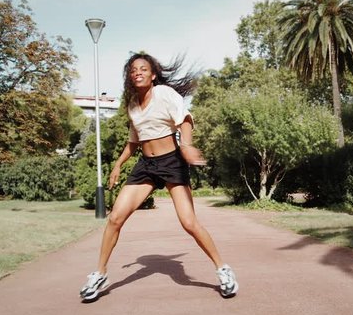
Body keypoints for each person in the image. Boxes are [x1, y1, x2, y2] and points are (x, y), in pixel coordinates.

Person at [79, 53, 238, 301]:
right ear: (130, 76)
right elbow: (134, 141)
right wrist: (118, 165)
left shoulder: (164, 93)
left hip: (172, 162)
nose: (138, 72)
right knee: (115, 218)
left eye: (143, 69)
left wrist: (186, 146)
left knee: (189, 223)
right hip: (146, 165)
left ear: (153, 75)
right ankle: (99, 273)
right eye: (133, 70)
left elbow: (185, 121)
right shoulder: (132, 104)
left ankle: (223, 269)